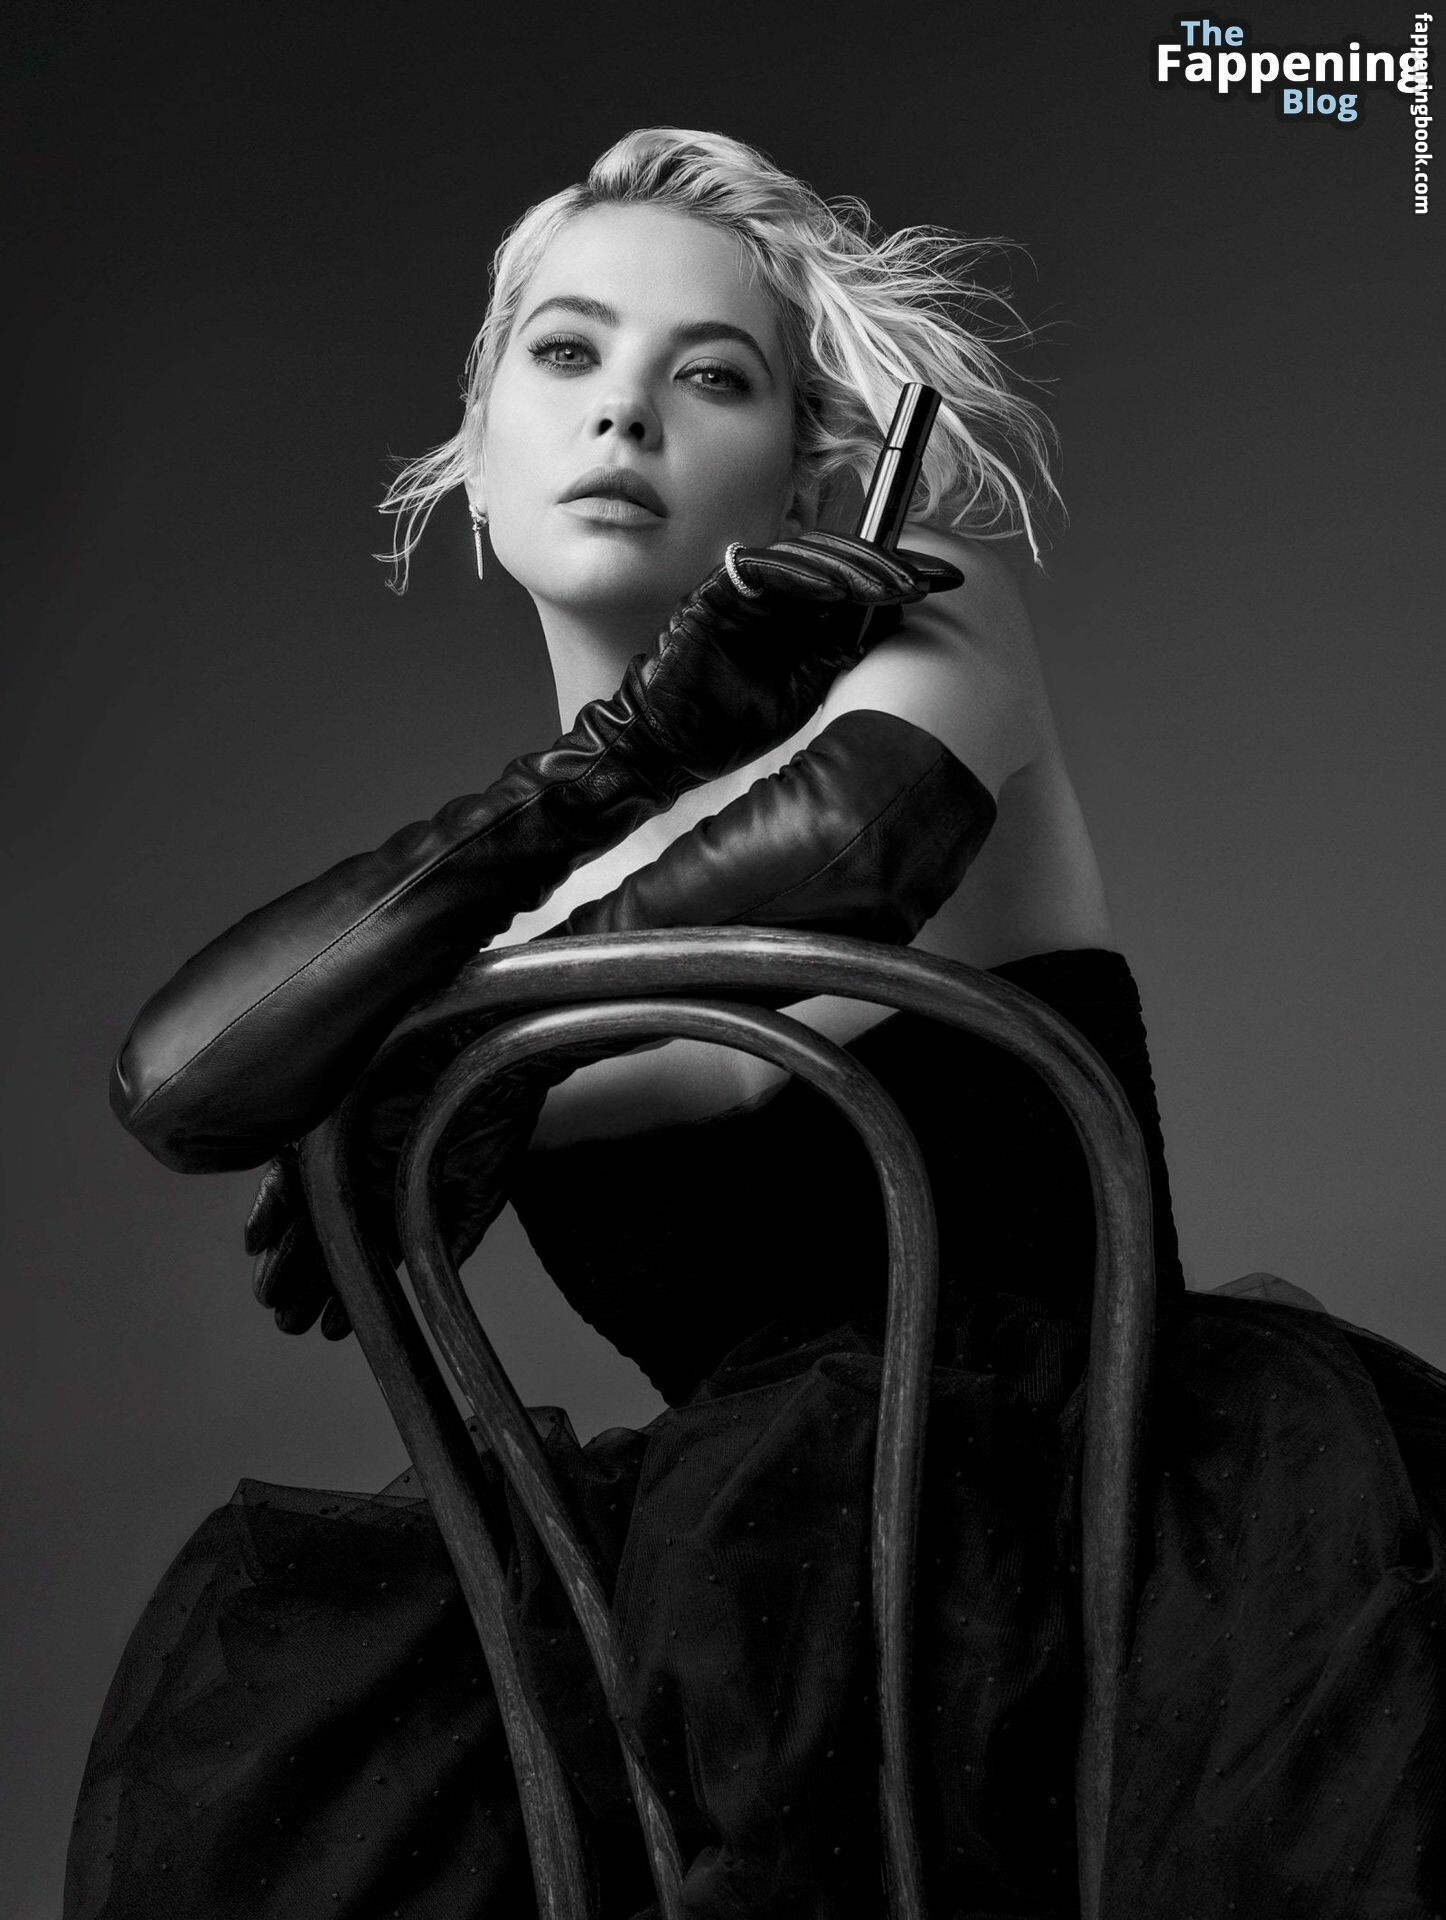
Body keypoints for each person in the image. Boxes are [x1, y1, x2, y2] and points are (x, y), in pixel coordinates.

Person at [65, 128, 1444, 1920]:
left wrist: (456, 1047)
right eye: (565, 354)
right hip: (734, 1650)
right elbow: (181, 1085)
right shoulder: (514, 913)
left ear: (807, 472)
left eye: (709, 376)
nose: (622, 410)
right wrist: (607, 766)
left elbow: (854, 838)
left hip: (1137, 1588)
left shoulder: (925, 618)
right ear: (474, 450)